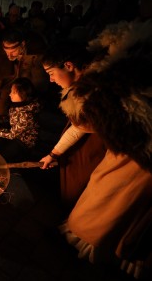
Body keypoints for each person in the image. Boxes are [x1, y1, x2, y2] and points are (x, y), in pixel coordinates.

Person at [57, 54, 152, 280]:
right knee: (100, 214)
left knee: (115, 216)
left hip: (135, 169)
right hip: (123, 161)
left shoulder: (126, 105)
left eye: (52, 74)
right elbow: (80, 124)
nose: (51, 80)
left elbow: (83, 124)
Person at [38, 41, 106, 211]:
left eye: (51, 73)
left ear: (68, 65)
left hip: (99, 151)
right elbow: (78, 128)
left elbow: (81, 128)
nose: (51, 80)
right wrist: (54, 154)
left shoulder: (99, 94)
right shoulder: (81, 90)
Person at [0, 28, 49, 124]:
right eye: (7, 52)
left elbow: (39, 86)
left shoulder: (35, 58)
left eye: (13, 52)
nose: (9, 56)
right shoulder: (5, 59)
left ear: (23, 44)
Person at [0, 77, 41, 162]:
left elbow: (12, 135)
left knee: (2, 157)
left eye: (13, 92)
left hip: (23, 142)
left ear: (23, 94)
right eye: (11, 91)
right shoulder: (18, 105)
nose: (10, 94)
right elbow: (10, 118)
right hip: (15, 135)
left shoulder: (26, 114)